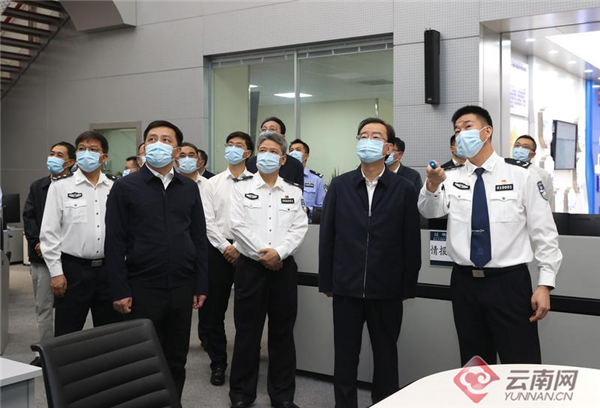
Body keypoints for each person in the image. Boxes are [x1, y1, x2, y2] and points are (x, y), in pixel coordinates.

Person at [418, 105, 563, 367]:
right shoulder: (448, 177)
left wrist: (545, 285)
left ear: (487, 132)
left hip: (509, 282)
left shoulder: (521, 175)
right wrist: (432, 184)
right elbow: (429, 211)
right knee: (475, 366)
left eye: (467, 127)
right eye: (457, 130)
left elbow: (544, 233)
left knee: (520, 364)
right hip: (464, 283)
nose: (461, 134)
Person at [319, 118, 422, 408]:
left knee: (386, 356)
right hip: (346, 287)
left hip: (387, 289)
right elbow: (328, 236)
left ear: (388, 147)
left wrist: (407, 286)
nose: (368, 140)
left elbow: (411, 241)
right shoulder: (340, 186)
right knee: (345, 356)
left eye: (376, 136)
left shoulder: (404, 188)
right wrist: (327, 281)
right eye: (363, 135)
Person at [105, 120, 208, 398]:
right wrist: (119, 289)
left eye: (165, 139)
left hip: (182, 285)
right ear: (144, 146)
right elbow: (114, 242)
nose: (157, 144)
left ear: (177, 150)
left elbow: (198, 237)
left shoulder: (188, 188)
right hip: (142, 286)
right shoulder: (125, 187)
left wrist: (200, 283)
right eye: (152, 139)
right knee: (143, 358)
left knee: (177, 358)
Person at [228, 131, 308, 408]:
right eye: (262, 150)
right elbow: (237, 226)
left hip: (283, 268)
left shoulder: (293, 191)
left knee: (282, 333)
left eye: (273, 151)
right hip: (250, 268)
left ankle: (282, 395)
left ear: (283, 159)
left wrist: (279, 253)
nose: (267, 155)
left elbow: (299, 227)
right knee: (247, 332)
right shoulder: (240, 188)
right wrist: (265, 255)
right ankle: (241, 394)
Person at [40, 132, 121, 337]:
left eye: (93, 150)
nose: (87, 153)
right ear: (75, 154)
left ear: (104, 157)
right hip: (73, 271)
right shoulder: (60, 186)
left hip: (108, 270)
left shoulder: (116, 186)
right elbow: (49, 233)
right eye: (82, 149)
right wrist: (56, 272)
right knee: (67, 332)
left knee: (110, 333)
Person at [202, 131, 254, 387]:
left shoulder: (257, 182)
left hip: (248, 252)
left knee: (247, 312)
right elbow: (207, 220)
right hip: (217, 250)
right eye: (229, 144)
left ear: (248, 153)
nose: (232, 149)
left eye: (239, 145)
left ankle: (245, 364)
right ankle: (218, 362)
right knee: (213, 312)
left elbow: (256, 221)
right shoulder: (211, 183)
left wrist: (239, 247)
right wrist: (225, 246)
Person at [23, 141, 76, 366]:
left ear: (70, 162)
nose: (52, 157)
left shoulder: (74, 186)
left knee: (70, 310)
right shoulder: (38, 186)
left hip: (70, 258)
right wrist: (39, 242)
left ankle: (67, 352)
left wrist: (56, 244)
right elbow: (29, 216)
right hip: (41, 259)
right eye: (51, 153)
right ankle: (43, 354)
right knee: (43, 307)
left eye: (59, 155)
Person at [246, 117, 304, 187]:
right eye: (264, 130)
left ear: (283, 137)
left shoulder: (295, 165)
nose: (267, 132)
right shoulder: (251, 162)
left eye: (272, 129)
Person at [289, 139, 326, 223]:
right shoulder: (282, 177)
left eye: (298, 150)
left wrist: (308, 210)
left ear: (306, 156)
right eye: (291, 150)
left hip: (308, 225)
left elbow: (323, 208)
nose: (293, 152)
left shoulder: (316, 180)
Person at [513, 134, 554, 206]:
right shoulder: (505, 171)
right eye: (517, 145)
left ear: (533, 154)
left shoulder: (542, 175)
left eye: (525, 147)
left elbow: (547, 202)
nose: (519, 149)